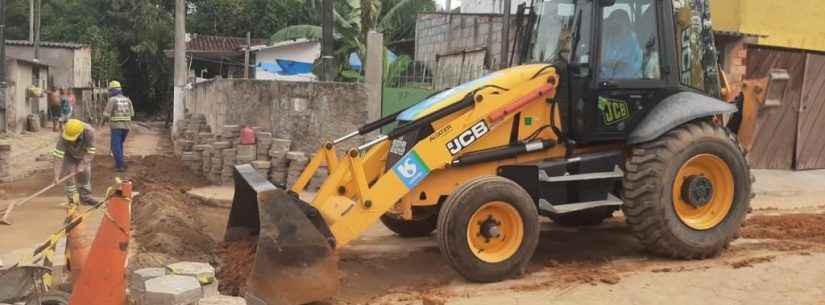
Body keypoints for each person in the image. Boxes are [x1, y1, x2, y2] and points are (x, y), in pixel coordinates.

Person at [52, 119, 98, 205]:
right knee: (69, 174)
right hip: (69, 156)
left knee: (85, 173)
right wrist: (56, 175)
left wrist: (82, 165)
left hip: (84, 155)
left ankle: (85, 197)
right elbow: (58, 155)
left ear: (80, 133)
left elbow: (91, 151)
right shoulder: (64, 134)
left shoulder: (89, 132)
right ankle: (72, 199)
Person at [599, 10, 643, 79]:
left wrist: (615, 64)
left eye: (618, 24)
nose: (616, 27)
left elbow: (629, 65)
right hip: (606, 83)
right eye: (613, 24)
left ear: (627, 25)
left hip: (627, 84)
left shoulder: (632, 40)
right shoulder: (608, 40)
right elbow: (600, 62)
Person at [102, 81, 134, 172]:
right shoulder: (128, 99)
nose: (109, 92)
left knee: (115, 147)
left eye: (110, 91)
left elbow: (106, 114)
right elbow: (132, 113)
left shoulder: (112, 100)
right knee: (119, 145)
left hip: (116, 127)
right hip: (126, 127)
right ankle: (119, 163)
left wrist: (102, 123)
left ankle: (121, 165)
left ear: (113, 90)